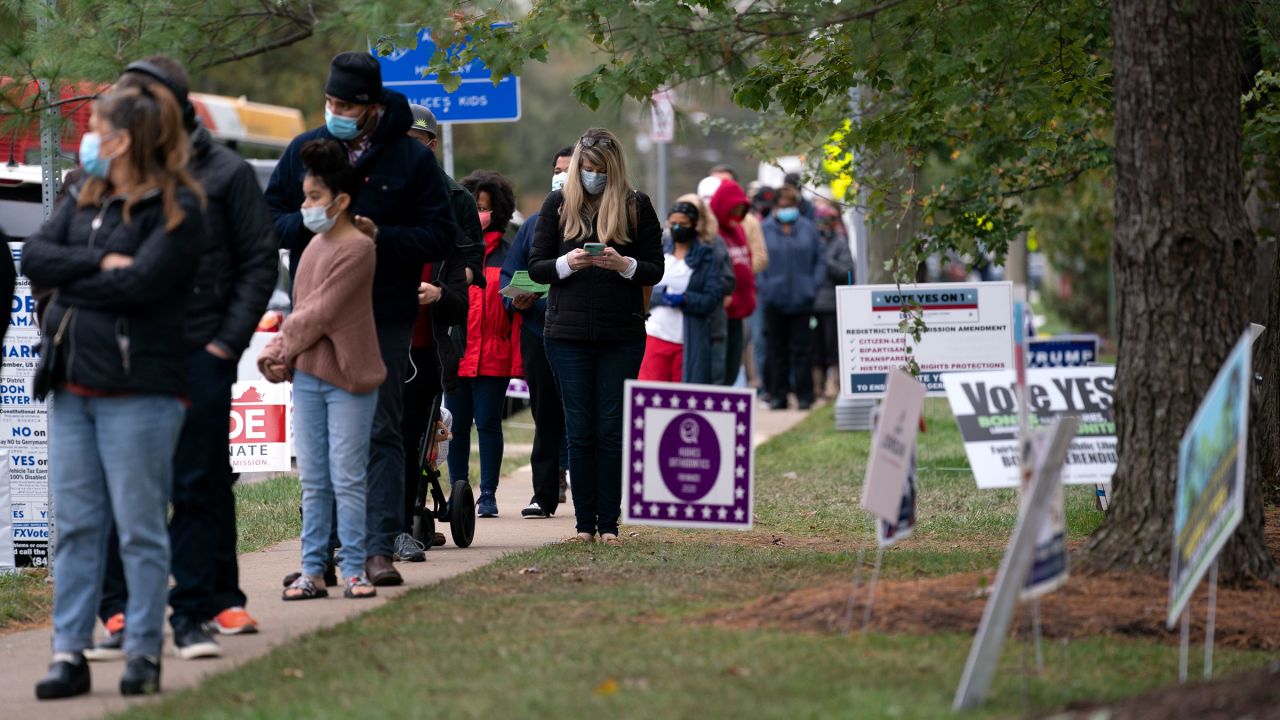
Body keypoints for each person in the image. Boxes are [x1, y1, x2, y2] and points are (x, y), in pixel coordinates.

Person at [80, 57, 279, 665]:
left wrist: (225, 345)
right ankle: (117, 610)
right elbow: (66, 248)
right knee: (119, 484)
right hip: (123, 353)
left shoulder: (222, 172)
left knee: (199, 479)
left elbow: (256, 261)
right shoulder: (110, 171)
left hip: (199, 351)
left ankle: (198, 607)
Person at [24, 84, 206, 699]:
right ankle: (68, 652)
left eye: (97, 126)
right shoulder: (81, 192)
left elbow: (148, 284)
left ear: (124, 138)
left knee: (138, 525)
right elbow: (36, 261)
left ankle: (141, 653)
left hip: (141, 388)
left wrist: (79, 276)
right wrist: (102, 268)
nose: (89, 137)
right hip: (71, 382)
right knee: (75, 525)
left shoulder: (177, 206)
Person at [265, 52, 456, 587]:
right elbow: (268, 215)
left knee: (381, 428)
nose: (335, 112)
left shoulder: (409, 160)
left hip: (383, 314)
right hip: (317, 312)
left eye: (346, 105)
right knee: (320, 437)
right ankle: (319, 555)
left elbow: (440, 234)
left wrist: (380, 238)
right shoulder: (307, 150)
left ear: (372, 107)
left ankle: (375, 550)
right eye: (329, 102)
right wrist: (310, 226)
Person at [260, 139, 385, 602]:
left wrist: (275, 346)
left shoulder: (358, 249)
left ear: (342, 200)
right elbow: (302, 309)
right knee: (313, 480)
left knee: (347, 477)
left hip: (349, 379)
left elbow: (320, 312)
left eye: (314, 197)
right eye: (305, 196)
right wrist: (286, 356)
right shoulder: (311, 246)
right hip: (308, 377)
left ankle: (354, 569)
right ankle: (312, 570)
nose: (305, 206)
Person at [528, 128, 664, 544]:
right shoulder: (557, 205)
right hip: (565, 335)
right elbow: (536, 268)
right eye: (587, 168)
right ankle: (584, 525)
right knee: (580, 428)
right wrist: (567, 263)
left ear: (615, 170)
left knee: (610, 428)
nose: (592, 176)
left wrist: (624, 265)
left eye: (600, 170)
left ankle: (610, 524)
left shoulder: (636, 206)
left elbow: (655, 269)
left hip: (620, 334)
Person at [397, 107, 471, 558]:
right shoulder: (372, 201)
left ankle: (403, 520)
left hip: (424, 350)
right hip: (374, 347)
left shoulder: (452, 206)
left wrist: (438, 293)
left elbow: (465, 286)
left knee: (408, 439)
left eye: (417, 141)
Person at [502, 146, 575, 519]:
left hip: (579, 333)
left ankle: (592, 491)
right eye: (557, 169)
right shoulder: (532, 225)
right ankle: (544, 494)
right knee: (545, 416)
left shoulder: (592, 222)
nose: (561, 176)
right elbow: (509, 273)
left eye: (569, 169)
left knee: (584, 414)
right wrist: (516, 301)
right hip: (538, 332)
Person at [446, 170, 521, 518]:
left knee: (489, 424)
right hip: (458, 353)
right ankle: (457, 493)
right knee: (455, 428)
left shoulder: (509, 255)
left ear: (499, 211)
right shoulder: (456, 253)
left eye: (485, 207)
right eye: (474, 206)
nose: (480, 213)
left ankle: (488, 494)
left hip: (493, 354)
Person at [639, 196, 724, 383]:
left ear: (694, 225)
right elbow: (641, 287)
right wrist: (661, 295)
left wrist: (685, 299)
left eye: (683, 223)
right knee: (651, 395)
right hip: (655, 335)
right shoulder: (659, 252)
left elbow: (712, 298)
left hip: (688, 340)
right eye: (673, 223)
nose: (677, 228)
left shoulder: (707, 257)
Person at [759, 185, 826, 410]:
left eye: (791, 206)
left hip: (802, 299)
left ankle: (805, 396)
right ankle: (778, 396)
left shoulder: (808, 228)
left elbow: (820, 259)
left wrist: (812, 286)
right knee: (776, 351)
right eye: (783, 206)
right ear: (776, 207)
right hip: (774, 300)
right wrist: (765, 287)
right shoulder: (764, 229)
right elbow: (757, 260)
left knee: (803, 351)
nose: (787, 210)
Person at [407, 105, 484, 286]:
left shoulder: (459, 198)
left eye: (415, 141)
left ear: (432, 145)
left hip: (439, 309)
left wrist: (446, 289)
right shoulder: (377, 191)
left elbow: (474, 256)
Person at [708, 178, 758, 387]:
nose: (737, 216)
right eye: (733, 210)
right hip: (721, 313)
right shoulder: (712, 233)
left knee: (733, 364)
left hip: (740, 313)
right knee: (718, 367)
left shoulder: (737, 230)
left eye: (741, 210)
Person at [812, 201, 854, 399]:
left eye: (827, 221)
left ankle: (835, 386)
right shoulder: (810, 241)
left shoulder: (840, 242)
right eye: (820, 222)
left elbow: (847, 271)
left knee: (833, 347)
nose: (823, 226)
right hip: (811, 303)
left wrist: (827, 262)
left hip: (831, 304)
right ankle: (817, 387)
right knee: (815, 348)